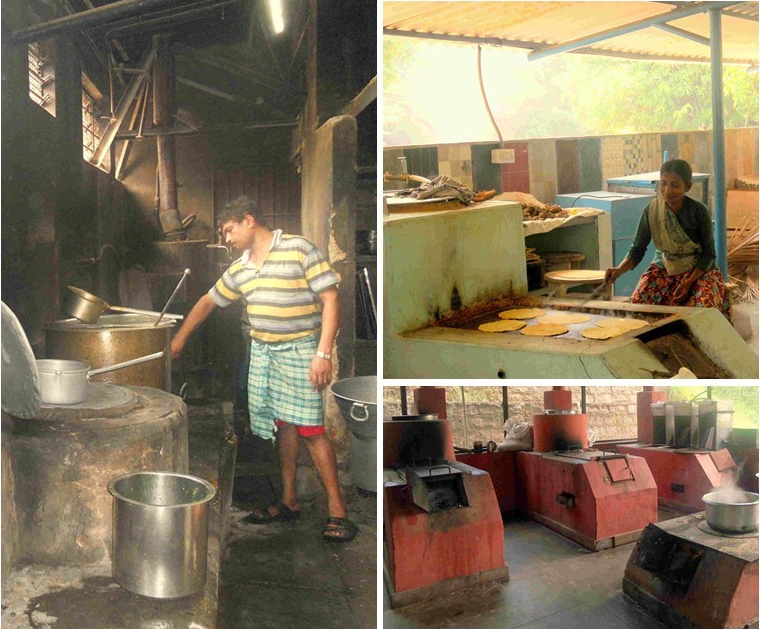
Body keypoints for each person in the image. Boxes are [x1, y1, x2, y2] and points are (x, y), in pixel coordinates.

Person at [171, 195, 357, 542]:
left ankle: (338, 510)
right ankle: (288, 501)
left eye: (229, 230)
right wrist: (179, 339)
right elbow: (207, 301)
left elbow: (331, 298)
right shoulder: (241, 268)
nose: (227, 238)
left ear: (249, 220)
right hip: (264, 353)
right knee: (282, 425)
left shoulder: (299, 249)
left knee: (311, 429)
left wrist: (323, 353)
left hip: (302, 351)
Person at [605, 159, 730, 320]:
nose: (667, 190)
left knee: (702, 309)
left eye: (675, 185)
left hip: (697, 269)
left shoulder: (698, 211)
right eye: (664, 183)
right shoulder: (652, 210)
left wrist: (688, 282)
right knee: (639, 306)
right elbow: (637, 249)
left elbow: (709, 254)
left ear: (687, 187)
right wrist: (618, 270)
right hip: (664, 265)